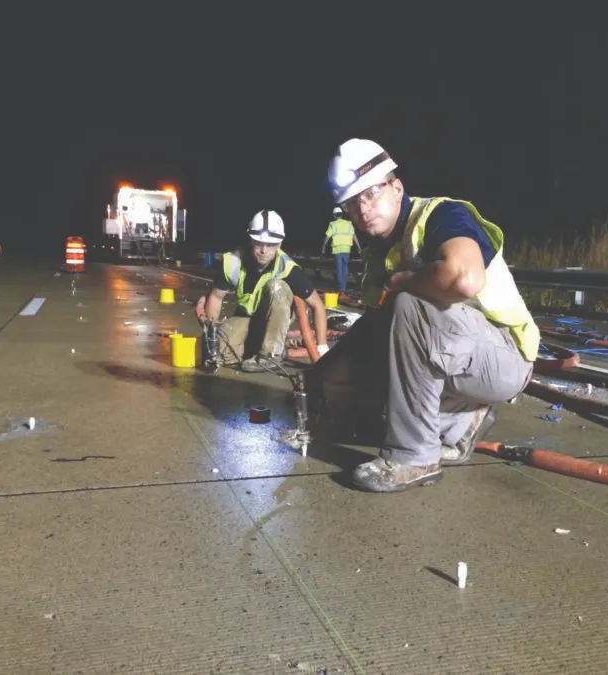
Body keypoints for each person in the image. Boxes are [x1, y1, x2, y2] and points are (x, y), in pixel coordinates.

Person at [309, 138, 539, 493]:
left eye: (370, 194)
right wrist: (326, 378)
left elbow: (465, 279)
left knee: (406, 301)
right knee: (369, 366)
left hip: (505, 357)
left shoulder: (442, 216)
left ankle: (414, 458)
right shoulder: (378, 254)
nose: (363, 208)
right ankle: (463, 422)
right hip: (462, 357)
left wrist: (406, 280)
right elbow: (374, 327)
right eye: (353, 203)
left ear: (396, 187)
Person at [201, 209, 330, 373]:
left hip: (272, 320)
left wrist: (322, 347)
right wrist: (210, 334)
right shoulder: (232, 262)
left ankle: (271, 354)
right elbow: (216, 297)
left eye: (270, 245)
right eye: (259, 243)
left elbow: (318, 305)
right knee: (217, 355)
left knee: (277, 286)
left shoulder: (287, 268)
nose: (264, 250)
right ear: (250, 240)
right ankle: (266, 348)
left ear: (280, 244)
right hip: (246, 318)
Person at [321, 206, 361, 292]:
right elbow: (354, 236)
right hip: (347, 248)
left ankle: (341, 288)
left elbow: (327, 237)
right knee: (345, 267)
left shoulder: (333, 224)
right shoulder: (348, 223)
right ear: (342, 214)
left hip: (337, 249)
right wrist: (358, 247)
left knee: (339, 268)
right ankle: (344, 287)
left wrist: (323, 247)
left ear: (334, 215)